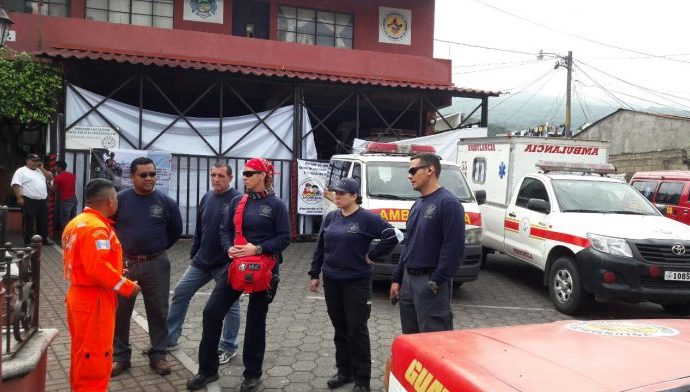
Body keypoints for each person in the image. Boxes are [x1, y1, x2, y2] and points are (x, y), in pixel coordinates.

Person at [187, 158, 290, 392]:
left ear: (264, 175)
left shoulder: (276, 205)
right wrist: (228, 248)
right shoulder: (237, 201)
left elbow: (285, 238)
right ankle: (207, 370)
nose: (244, 177)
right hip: (236, 268)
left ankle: (252, 375)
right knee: (211, 312)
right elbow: (225, 230)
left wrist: (259, 249)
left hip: (264, 270)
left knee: (256, 321)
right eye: (243, 173)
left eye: (250, 173)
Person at [308, 178, 399, 392]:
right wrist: (314, 273)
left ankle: (362, 381)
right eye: (336, 193)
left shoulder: (367, 218)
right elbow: (320, 246)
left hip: (356, 283)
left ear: (354, 196)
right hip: (332, 280)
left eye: (342, 193)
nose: (337, 197)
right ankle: (344, 372)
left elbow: (393, 235)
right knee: (340, 328)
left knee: (356, 330)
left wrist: (373, 255)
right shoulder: (331, 217)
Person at [62, 178, 141, 391]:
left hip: (81, 297)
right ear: (109, 201)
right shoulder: (96, 228)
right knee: (95, 355)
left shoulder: (77, 222)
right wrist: (126, 286)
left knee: (82, 353)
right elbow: (97, 268)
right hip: (93, 299)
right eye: (116, 197)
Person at [112, 157, 183, 377]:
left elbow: (175, 231)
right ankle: (120, 357)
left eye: (153, 174)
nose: (149, 178)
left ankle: (158, 355)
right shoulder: (119, 200)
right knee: (119, 311)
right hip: (125, 264)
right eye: (143, 175)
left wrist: (156, 249)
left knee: (159, 310)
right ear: (132, 176)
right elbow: (109, 227)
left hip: (156, 263)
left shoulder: (166, 202)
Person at [166, 162, 242, 364]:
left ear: (230, 178)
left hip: (225, 263)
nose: (216, 179)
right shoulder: (206, 197)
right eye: (213, 175)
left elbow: (241, 232)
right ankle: (170, 338)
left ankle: (228, 346)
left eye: (221, 176)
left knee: (231, 305)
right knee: (181, 293)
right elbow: (200, 228)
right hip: (202, 261)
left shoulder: (238, 200)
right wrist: (193, 251)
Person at [389, 153, 465, 333]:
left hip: (430, 282)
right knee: (411, 340)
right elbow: (408, 245)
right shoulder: (418, 205)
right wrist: (397, 278)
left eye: (413, 170)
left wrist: (436, 281)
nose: (409, 176)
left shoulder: (448, 203)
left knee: (434, 341)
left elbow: (454, 249)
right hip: (409, 282)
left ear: (430, 170)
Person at [11, 153, 54, 245]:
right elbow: (15, 184)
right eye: (33, 161)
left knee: (43, 221)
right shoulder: (21, 171)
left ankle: (43, 239)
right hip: (29, 199)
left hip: (42, 200)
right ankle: (27, 241)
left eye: (37, 161)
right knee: (29, 221)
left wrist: (42, 168)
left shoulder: (40, 171)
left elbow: (50, 177)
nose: (35, 163)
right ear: (27, 161)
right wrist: (19, 198)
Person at [52, 160, 78, 234]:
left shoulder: (58, 178)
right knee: (73, 220)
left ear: (59, 168)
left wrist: (47, 183)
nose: (55, 168)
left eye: (56, 167)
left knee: (65, 221)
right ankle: (72, 236)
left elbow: (54, 189)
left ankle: (65, 237)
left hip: (65, 201)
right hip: (74, 200)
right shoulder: (72, 176)